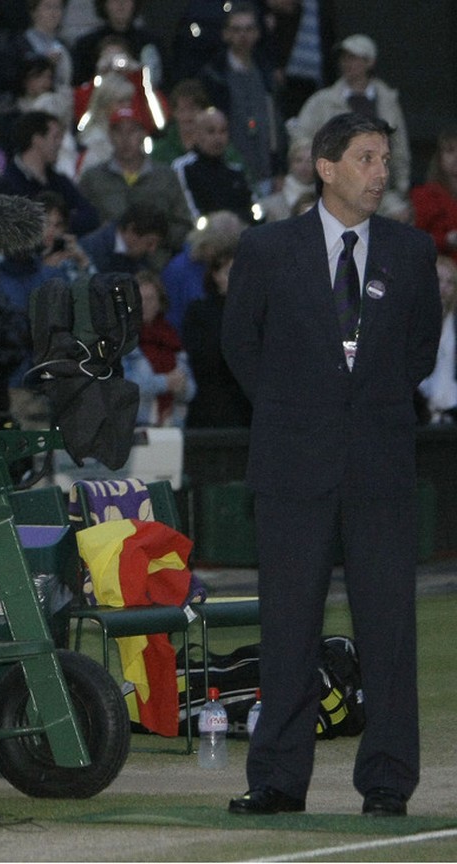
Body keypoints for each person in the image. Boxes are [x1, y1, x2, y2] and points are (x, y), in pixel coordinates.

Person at [221, 112, 440, 818]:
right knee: (288, 629)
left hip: (378, 465)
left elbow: (420, 354)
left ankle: (387, 781)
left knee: (389, 630)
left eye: (386, 158)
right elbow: (239, 347)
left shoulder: (409, 252)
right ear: (325, 166)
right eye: (367, 158)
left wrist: (356, 409)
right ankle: (279, 780)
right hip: (292, 464)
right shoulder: (266, 247)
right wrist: (298, 409)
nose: (381, 172)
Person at [291, 35, 411, 220]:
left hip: (381, 189)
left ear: (369, 62)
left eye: (354, 58)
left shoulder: (387, 100)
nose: (348, 64)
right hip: (336, 190)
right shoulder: (323, 101)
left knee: (400, 218)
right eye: (344, 58)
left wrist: (402, 185)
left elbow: (399, 146)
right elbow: (301, 139)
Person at [78, 106, 193, 251]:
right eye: (118, 131)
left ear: (143, 134)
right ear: (110, 135)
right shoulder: (93, 178)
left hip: (156, 263)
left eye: (132, 131)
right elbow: (81, 224)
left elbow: (184, 224)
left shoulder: (165, 176)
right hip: (107, 264)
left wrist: (154, 237)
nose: (125, 139)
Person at [197, 3, 280, 199]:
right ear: (226, 34)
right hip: (229, 170)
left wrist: (279, 168)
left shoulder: (267, 73)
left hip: (267, 171)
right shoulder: (213, 75)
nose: (243, 35)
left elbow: (276, 123)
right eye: (236, 29)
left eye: (249, 29)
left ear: (258, 33)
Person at [181, 236, 250, 428]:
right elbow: (203, 356)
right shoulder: (200, 311)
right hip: (212, 404)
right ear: (215, 275)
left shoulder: (257, 311)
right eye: (229, 272)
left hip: (248, 407)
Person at [124, 270, 194, 427]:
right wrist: (164, 383)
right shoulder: (121, 341)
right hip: (135, 428)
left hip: (172, 426)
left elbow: (191, 389)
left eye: (150, 299)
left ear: (160, 302)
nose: (144, 305)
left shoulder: (171, 339)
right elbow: (122, 386)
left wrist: (181, 386)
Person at [172, 108, 255, 224]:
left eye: (223, 131)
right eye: (211, 131)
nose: (218, 138)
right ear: (197, 134)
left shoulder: (235, 170)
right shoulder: (183, 167)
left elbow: (251, 206)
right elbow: (189, 210)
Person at [78, 201, 169, 276]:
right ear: (131, 230)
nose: (152, 250)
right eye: (149, 243)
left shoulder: (143, 262)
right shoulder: (90, 250)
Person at [418, 257, 457, 424]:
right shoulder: (411, 322)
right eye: (439, 280)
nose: (444, 287)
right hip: (418, 410)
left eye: (451, 282)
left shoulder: (454, 324)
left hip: (452, 410)